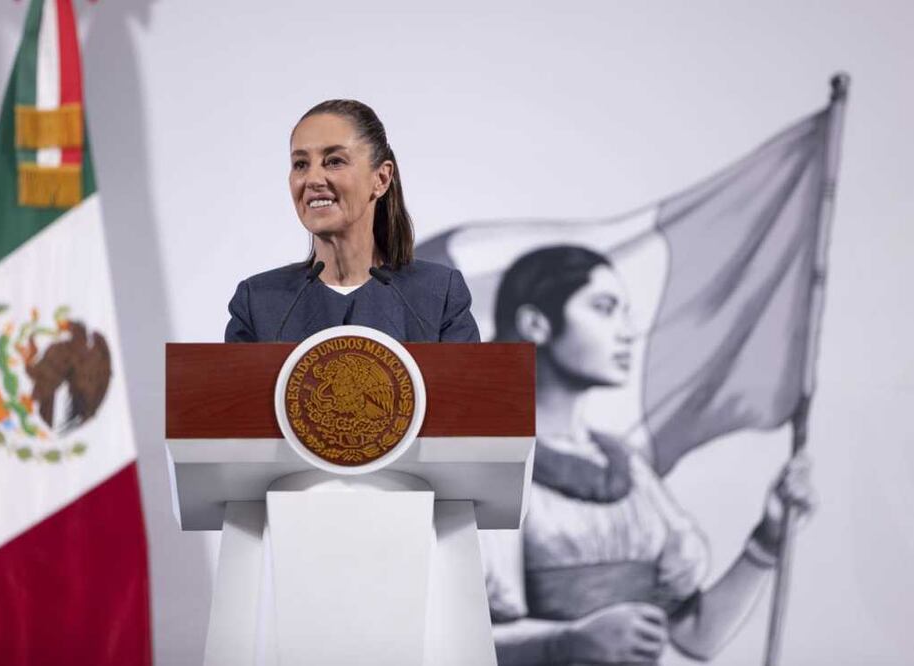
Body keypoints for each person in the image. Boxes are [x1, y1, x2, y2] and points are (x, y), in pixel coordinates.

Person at [483, 245, 816, 665]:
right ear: (536, 323)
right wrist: (562, 643)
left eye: (625, 312)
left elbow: (697, 636)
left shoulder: (628, 468)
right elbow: (447, 637)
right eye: (604, 308)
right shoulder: (488, 459)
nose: (626, 331)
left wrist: (767, 539)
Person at [224, 99, 479, 343]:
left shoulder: (437, 294)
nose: (312, 179)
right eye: (300, 164)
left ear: (381, 178)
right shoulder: (258, 303)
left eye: (334, 161)